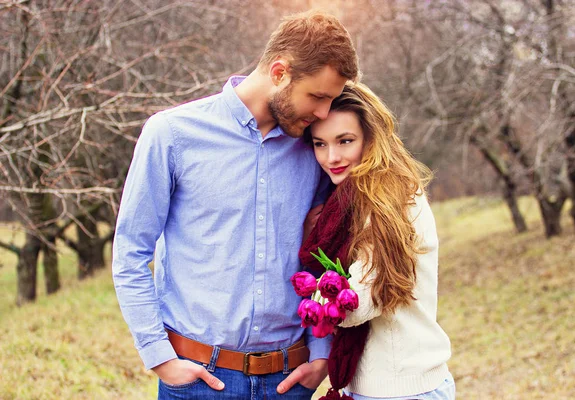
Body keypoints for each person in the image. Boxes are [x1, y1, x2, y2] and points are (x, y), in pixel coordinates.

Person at [112, 10, 359, 399]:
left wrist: (321, 354)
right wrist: (159, 357)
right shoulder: (172, 134)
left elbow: (323, 255)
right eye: (317, 97)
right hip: (199, 381)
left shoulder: (314, 149)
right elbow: (130, 252)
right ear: (279, 72)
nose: (324, 114)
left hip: (289, 381)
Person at [299, 83, 455, 400]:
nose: (332, 157)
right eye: (320, 144)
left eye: (345, 141)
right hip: (377, 386)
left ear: (371, 139)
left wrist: (313, 293)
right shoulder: (347, 199)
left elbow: (358, 303)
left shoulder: (389, 202)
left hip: (403, 389)